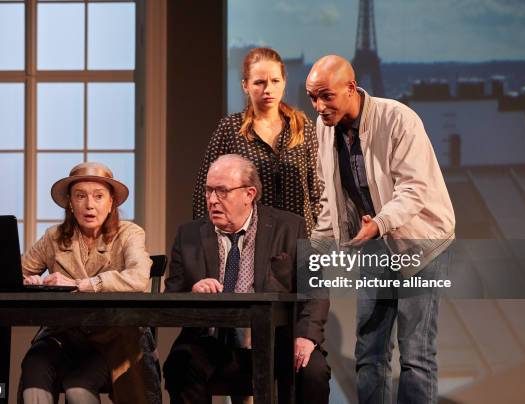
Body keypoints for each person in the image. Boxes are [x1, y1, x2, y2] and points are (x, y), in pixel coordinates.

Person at [306, 55, 455, 404]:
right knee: (369, 352)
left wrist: (380, 224)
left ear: (350, 88)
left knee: (416, 355)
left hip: (420, 243)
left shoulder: (398, 119)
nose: (318, 105)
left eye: (326, 96)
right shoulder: (323, 126)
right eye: (312, 97)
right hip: (373, 244)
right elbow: (332, 196)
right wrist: (317, 248)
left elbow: (414, 190)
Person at [164, 154, 330, 404]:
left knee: (312, 371)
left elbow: (315, 287)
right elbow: (170, 299)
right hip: (212, 342)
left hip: (276, 341)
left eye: (222, 191)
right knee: (179, 365)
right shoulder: (188, 235)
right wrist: (192, 291)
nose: (212, 200)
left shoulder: (289, 227)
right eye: (208, 191)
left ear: (249, 194)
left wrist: (306, 336)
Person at [19, 162, 161, 404]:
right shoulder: (53, 237)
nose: (89, 205)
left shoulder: (129, 233)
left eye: (98, 196)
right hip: (64, 334)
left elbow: (138, 278)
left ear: (111, 202)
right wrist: (28, 281)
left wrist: (81, 284)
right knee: (34, 367)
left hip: (113, 338)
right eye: (80, 196)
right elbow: (14, 275)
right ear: (70, 203)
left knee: (78, 388)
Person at [193, 47, 321, 236]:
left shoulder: (303, 128)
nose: (268, 89)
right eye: (259, 82)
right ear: (245, 85)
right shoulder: (230, 129)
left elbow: (318, 192)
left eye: (275, 81)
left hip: (299, 240)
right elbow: (205, 191)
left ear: (284, 82)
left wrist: (318, 245)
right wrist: (208, 245)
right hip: (248, 242)